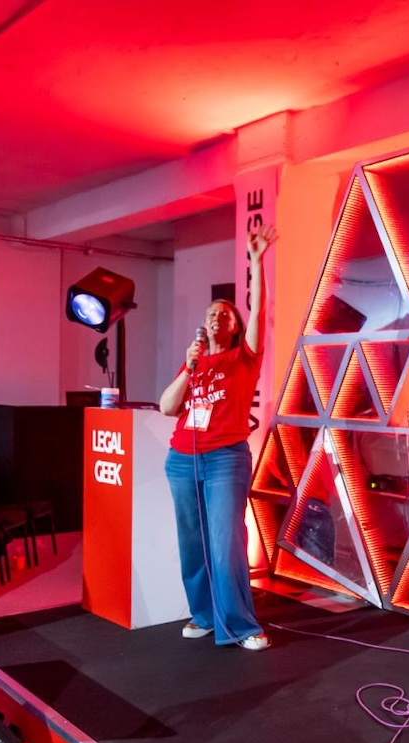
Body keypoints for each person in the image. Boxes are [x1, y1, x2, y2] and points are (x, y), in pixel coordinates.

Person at [159, 224, 276, 652]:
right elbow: (167, 406)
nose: (216, 317)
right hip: (182, 458)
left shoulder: (243, 358)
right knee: (193, 543)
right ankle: (205, 615)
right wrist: (189, 368)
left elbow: (259, 312)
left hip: (226, 458)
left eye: (225, 314)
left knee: (226, 544)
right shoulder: (194, 363)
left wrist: (257, 262)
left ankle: (240, 625)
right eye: (211, 313)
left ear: (235, 326)